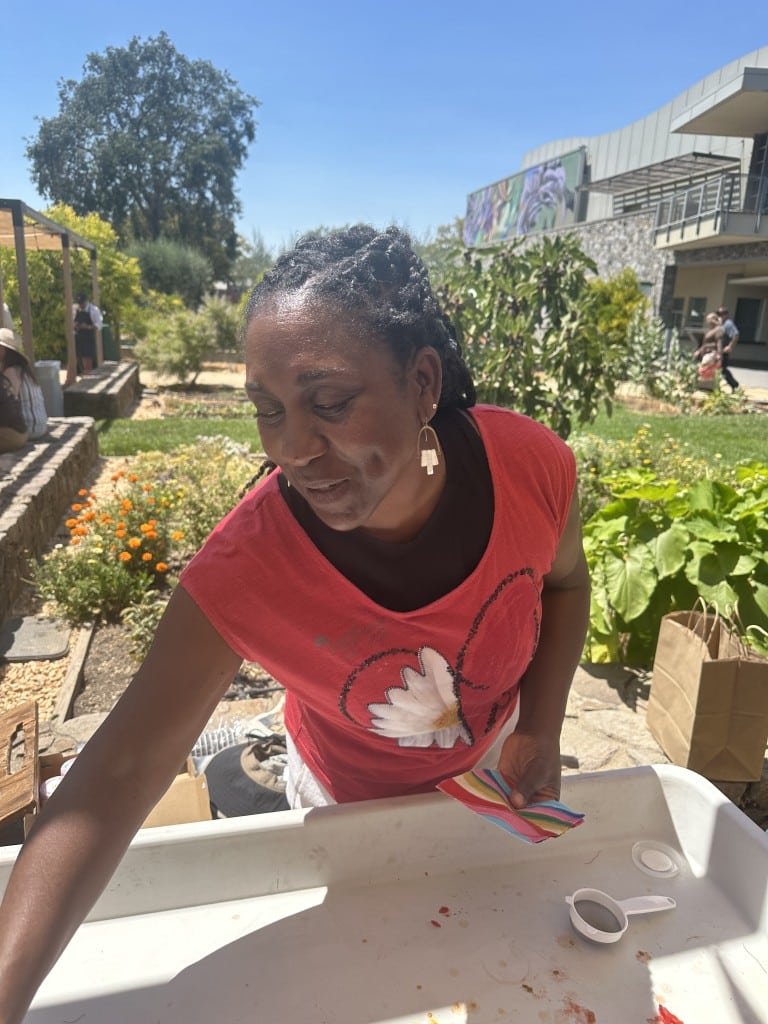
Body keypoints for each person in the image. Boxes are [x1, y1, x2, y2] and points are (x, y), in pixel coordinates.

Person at [0, 225, 590, 1020]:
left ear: (422, 383)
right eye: (268, 411)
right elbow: (116, 771)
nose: (294, 449)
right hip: (344, 816)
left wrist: (540, 729)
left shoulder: (531, 466)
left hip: (496, 782)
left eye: (331, 404)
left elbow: (566, 584)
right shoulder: (247, 573)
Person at [0, 329, 48, 440]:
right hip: (39, 426)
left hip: (29, 429)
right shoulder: (23, 370)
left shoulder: (11, 372)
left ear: (4, 350)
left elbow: (9, 405)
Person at [73, 292, 102, 375]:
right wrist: (75, 325)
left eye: (82, 303)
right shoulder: (76, 309)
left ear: (86, 301)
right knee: (76, 357)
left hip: (88, 337)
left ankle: (87, 376)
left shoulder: (94, 310)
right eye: (79, 303)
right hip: (78, 337)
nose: (81, 305)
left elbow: (98, 324)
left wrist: (88, 327)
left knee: (87, 359)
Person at [715, 305, 740, 391]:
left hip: (723, 352)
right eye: (718, 314)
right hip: (718, 351)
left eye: (721, 314)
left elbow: (735, 335)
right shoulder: (721, 324)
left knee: (722, 370)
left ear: (726, 314)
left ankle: (734, 384)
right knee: (719, 369)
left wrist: (729, 346)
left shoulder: (728, 324)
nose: (720, 316)